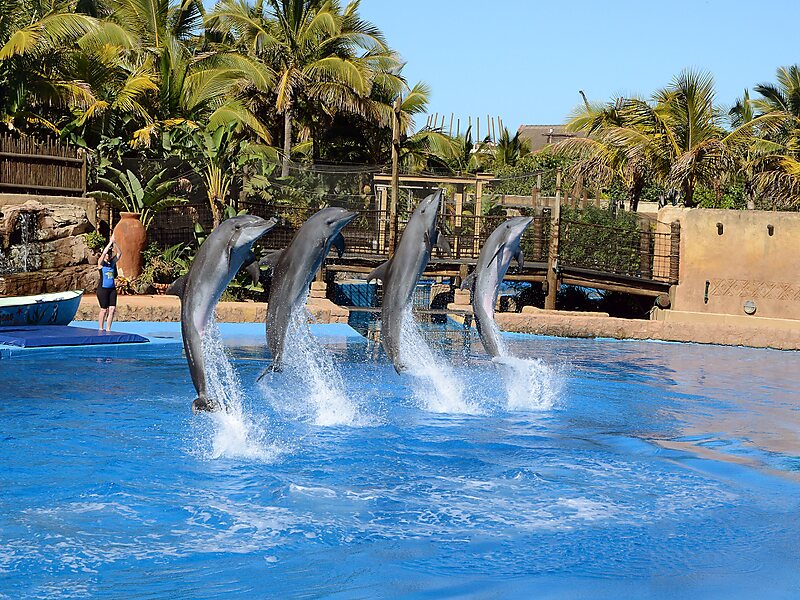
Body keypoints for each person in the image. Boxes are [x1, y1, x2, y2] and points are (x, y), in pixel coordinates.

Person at [97, 234, 122, 332]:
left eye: (109, 254)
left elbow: (119, 254)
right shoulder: (101, 264)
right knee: (104, 310)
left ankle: (108, 329)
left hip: (112, 290)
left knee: (112, 309)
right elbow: (103, 253)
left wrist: (115, 243)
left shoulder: (112, 263)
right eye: (107, 254)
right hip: (102, 289)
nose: (108, 255)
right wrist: (110, 242)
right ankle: (100, 328)